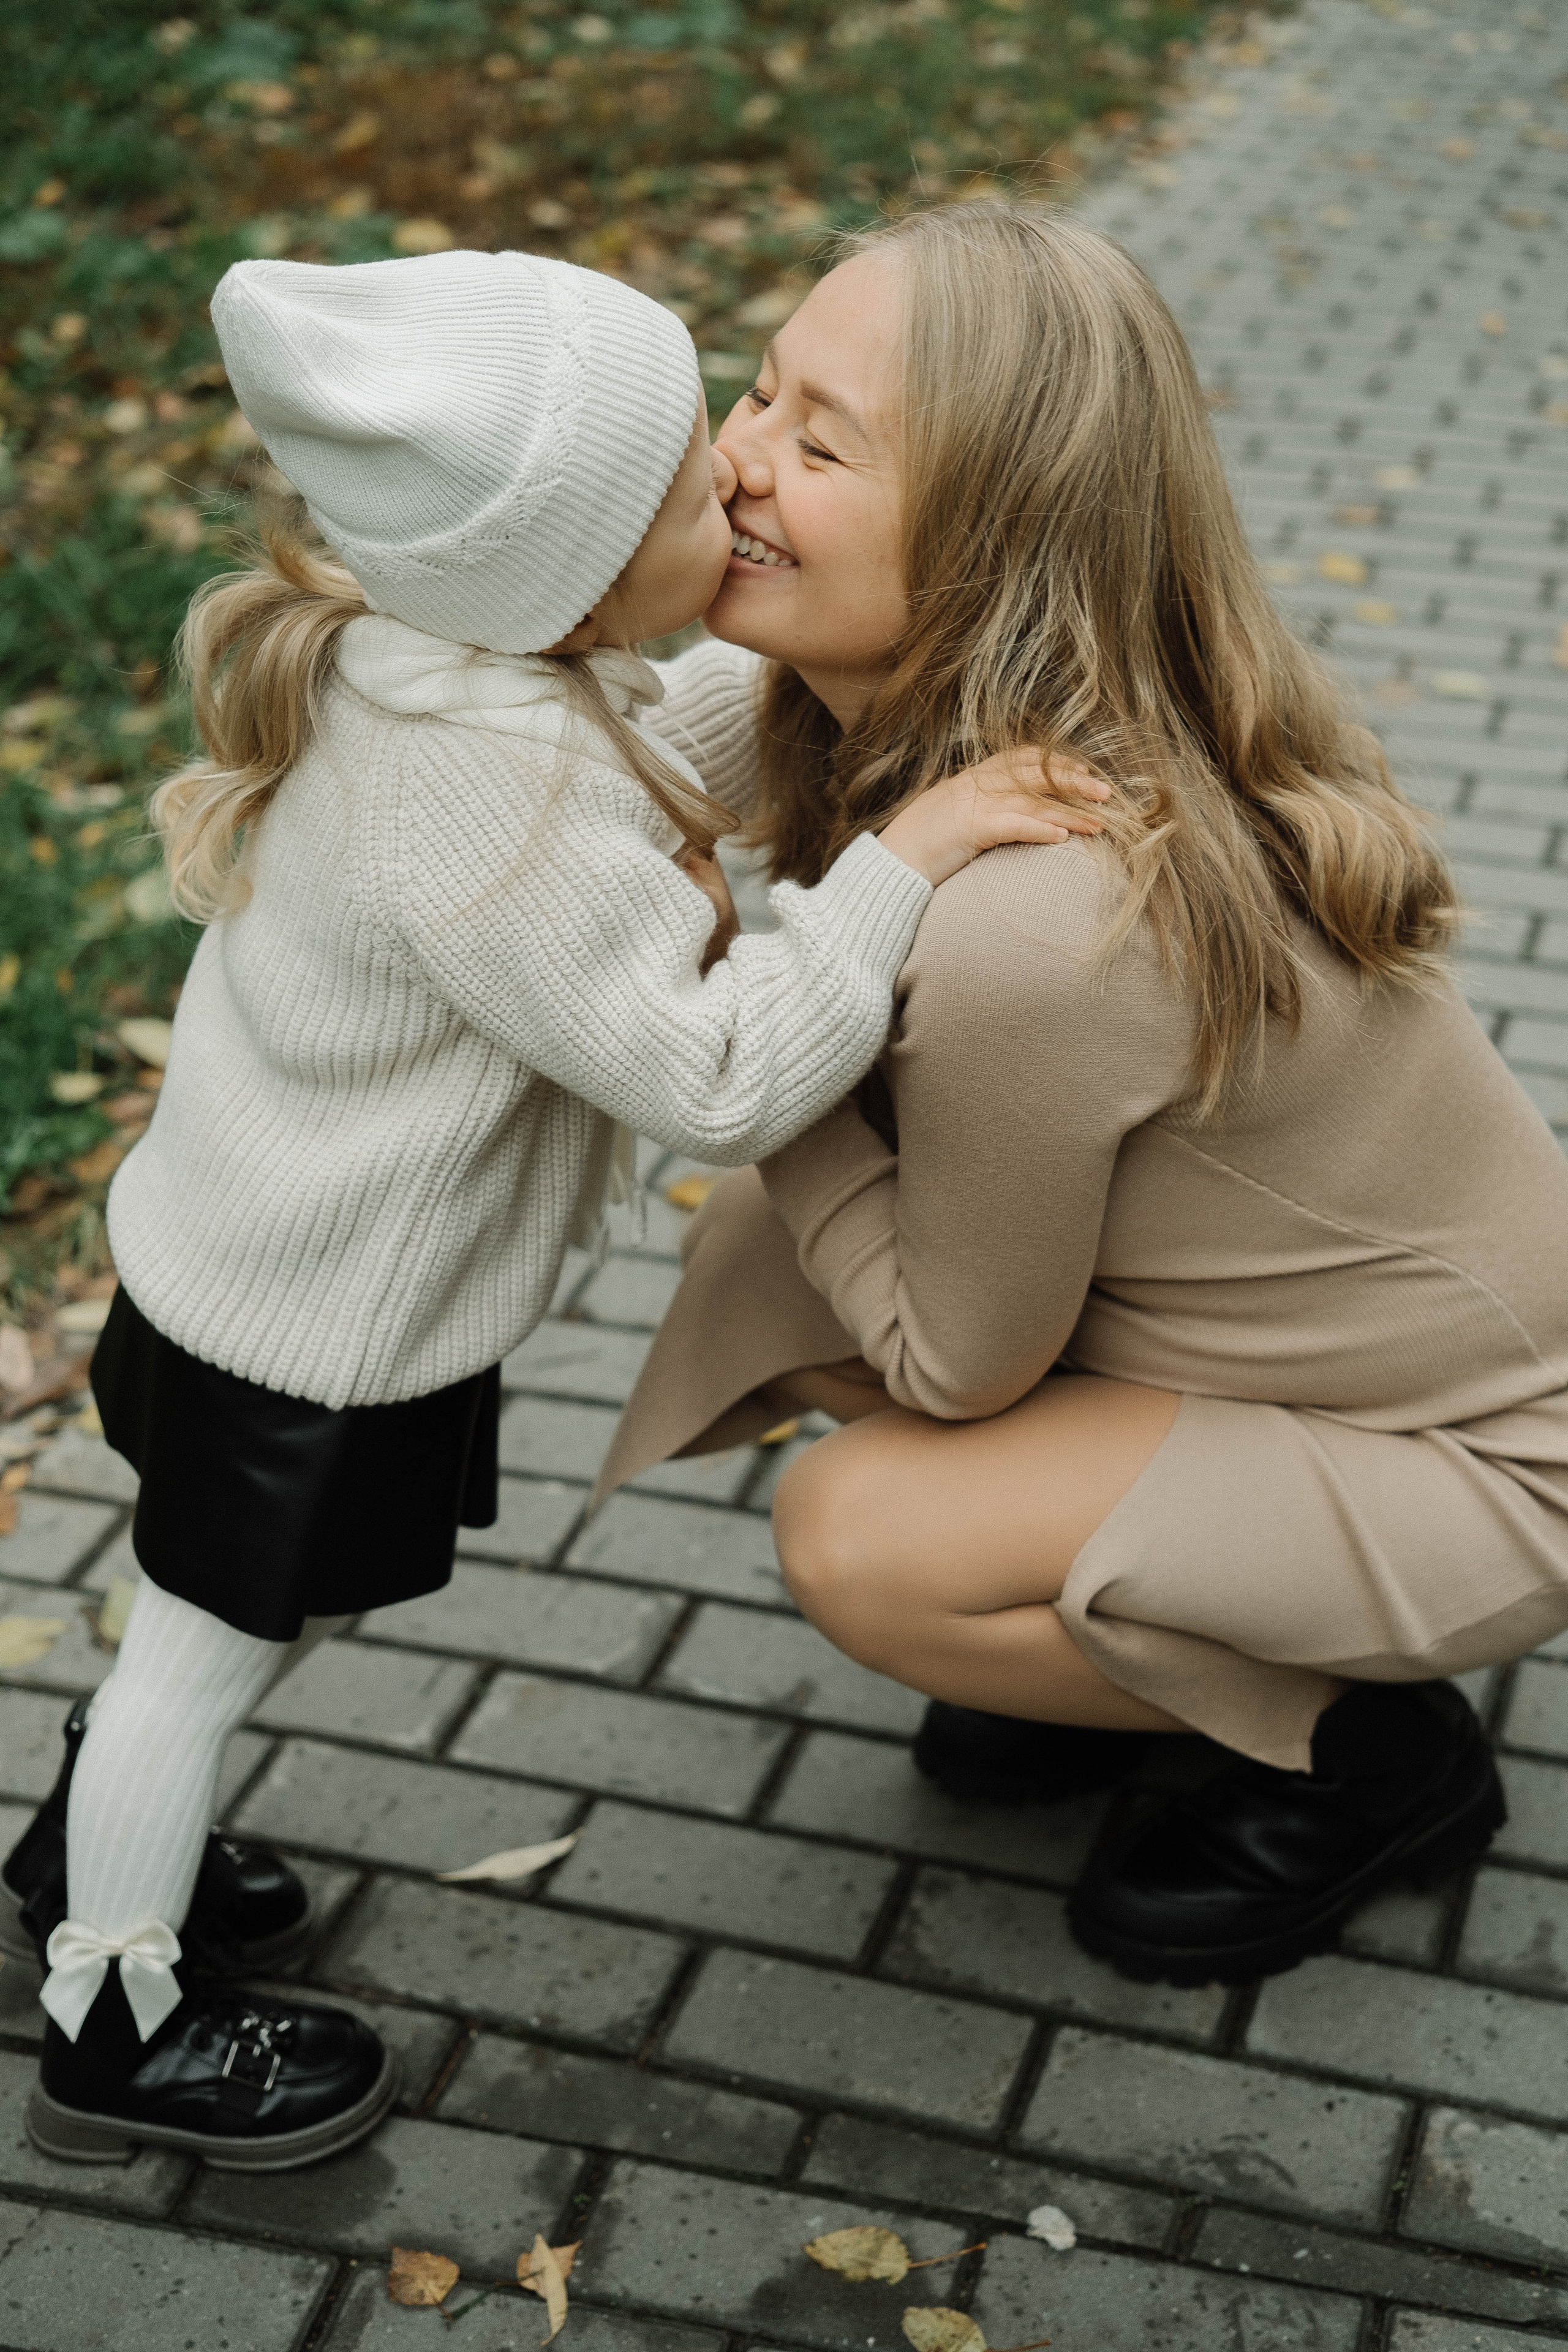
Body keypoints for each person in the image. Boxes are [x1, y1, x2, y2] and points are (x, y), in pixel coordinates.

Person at [15, 243, 1103, 2173]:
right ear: (587, 576)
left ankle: (107, 1838)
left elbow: (638, 748)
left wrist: (819, 688)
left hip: (265, 1280)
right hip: (305, 1334)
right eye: (699, 492)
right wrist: (905, 861)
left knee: (257, 1630)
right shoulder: (484, 803)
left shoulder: (461, 661)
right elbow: (716, 1073)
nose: (741, 492)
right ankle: (117, 2021)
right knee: (205, 1652)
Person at [597, 200, 1568, 1990]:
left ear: (991, 551)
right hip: (1293, 1359)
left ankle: (1365, 1755)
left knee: (866, 1536)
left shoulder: (1043, 917)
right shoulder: (892, 699)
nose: (732, 464)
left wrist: (754, 1051)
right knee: (770, 1267)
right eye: (753, 395)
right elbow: (596, 768)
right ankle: (1155, 1660)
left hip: (1496, 1464)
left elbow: (962, 1371)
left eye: (819, 444)